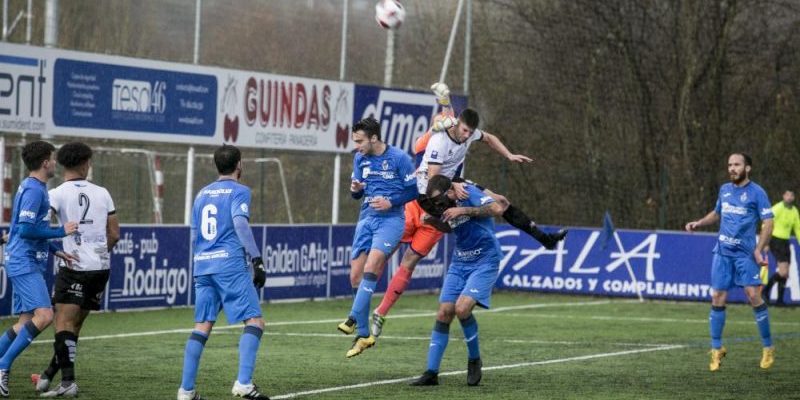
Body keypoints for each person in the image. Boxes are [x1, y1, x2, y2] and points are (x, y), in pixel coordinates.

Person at [369, 83, 566, 338]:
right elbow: (433, 179)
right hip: (425, 196)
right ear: (455, 124)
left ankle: (544, 239)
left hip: (448, 192)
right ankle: (363, 305)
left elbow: (489, 138)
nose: (466, 135)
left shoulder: (467, 133)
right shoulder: (438, 140)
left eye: (469, 131)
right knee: (385, 252)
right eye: (463, 129)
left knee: (500, 202)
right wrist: (453, 184)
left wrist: (508, 155)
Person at [177, 144, 270, 400]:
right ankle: (244, 383)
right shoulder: (240, 191)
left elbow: (195, 233)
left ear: (217, 165)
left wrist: (200, 261)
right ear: (239, 164)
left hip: (203, 264)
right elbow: (240, 224)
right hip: (229, 265)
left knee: (202, 325)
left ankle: (186, 391)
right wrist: (257, 259)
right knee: (255, 321)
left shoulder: (201, 194)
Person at [29, 142, 120, 397]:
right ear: (83, 164)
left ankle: (68, 383)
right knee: (73, 327)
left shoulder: (55, 194)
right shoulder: (103, 193)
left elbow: (41, 229)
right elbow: (114, 233)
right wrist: (99, 254)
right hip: (101, 268)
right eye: (89, 162)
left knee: (63, 322)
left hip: (74, 266)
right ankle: (48, 375)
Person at [409, 174, 505, 387]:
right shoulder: (444, 204)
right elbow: (452, 226)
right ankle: (431, 372)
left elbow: (497, 208)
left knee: (462, 309)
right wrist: (435, 221)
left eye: (440, 199)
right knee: (444, 312)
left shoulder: (468, 194)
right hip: (460, 261)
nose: (438, 204)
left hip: (485, 260)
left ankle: (474, 360)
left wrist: (463, 209)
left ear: (450, 191)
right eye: (434, 202)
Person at [0, 141, 78, 397]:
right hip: (25, 262)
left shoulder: (33, 187)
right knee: (44, 315)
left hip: (25, 258)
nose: (55, 162)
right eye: (53, 159)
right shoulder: (35, 191)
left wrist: (56, 249)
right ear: (45, 162)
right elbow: (25, 229)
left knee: (24, 323)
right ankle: (2, 368)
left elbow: (26, 230)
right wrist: (60, 231)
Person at [685, 152, 774, 372]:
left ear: (748, 168)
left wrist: (758, 249)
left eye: (737, 165)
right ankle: (716, 349)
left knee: (753, 295)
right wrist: (699, 222)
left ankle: (768, 347)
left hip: (744, 254)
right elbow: (717, 214)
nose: (732, 168)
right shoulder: (724, 190)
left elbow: (769, 223)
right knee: (717, 296)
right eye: (730, 165)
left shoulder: (757, 193)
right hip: (723, 252)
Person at [336, 117, 417, 358]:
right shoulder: (360, 158)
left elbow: (414, 190)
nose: (357, 146)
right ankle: (364, 335)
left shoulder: (400, 158)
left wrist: (391, 201)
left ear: (374, 138)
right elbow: (356, 194)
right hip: (366, 219)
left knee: (373, 266)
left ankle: (352, 317)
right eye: (354, 141)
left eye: (360, 141)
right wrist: (356, 190)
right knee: (354, 276)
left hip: (391, 220)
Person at [763, 189, 800, 306]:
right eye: (787, 195)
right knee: (783, 272)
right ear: (783, 196)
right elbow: (766, 223)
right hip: (775, 240)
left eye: (792, 195)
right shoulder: (777, 208)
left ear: (793, 198)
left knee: (786, 272)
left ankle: (780, 300)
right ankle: (765, 292)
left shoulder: (794, 211)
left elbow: (798, 229)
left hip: (785, 242)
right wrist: (766, 242)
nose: (789, 197)